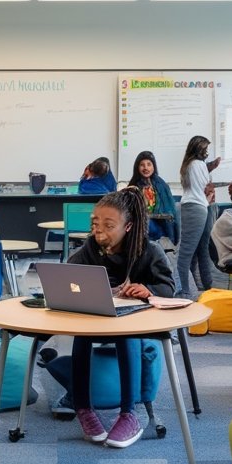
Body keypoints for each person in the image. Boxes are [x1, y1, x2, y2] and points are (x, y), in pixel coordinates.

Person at [67, 187, 176, 449]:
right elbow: (68, 274)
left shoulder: (148, 251)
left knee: (125, 331)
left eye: (108, 225)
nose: (99, 230)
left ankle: (129, 414)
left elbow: (170, 288)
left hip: (138, 326)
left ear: (128, 227)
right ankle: (83, 409)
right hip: (100, 321)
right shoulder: (90, 249)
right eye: (95, 223)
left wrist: (148, 291)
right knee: (81, 333)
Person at [175, 135, 220, 298]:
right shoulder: (198, 164)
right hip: (196, 207)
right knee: (187, 253)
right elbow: (206, 184)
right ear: (199, 150)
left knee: (199, 250)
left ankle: (205, 288)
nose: (207, 152)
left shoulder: (188, 165)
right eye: (205, 149)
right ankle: (183, 291)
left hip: (196, 206)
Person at [127, 150, 178, 243]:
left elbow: (170, 209)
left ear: (153, 166)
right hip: (141, 225)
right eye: (142, 165)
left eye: (149, 164)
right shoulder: (133, 186)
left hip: (162, 224)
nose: (146, 168)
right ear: (137, 167)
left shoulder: (161, 185)